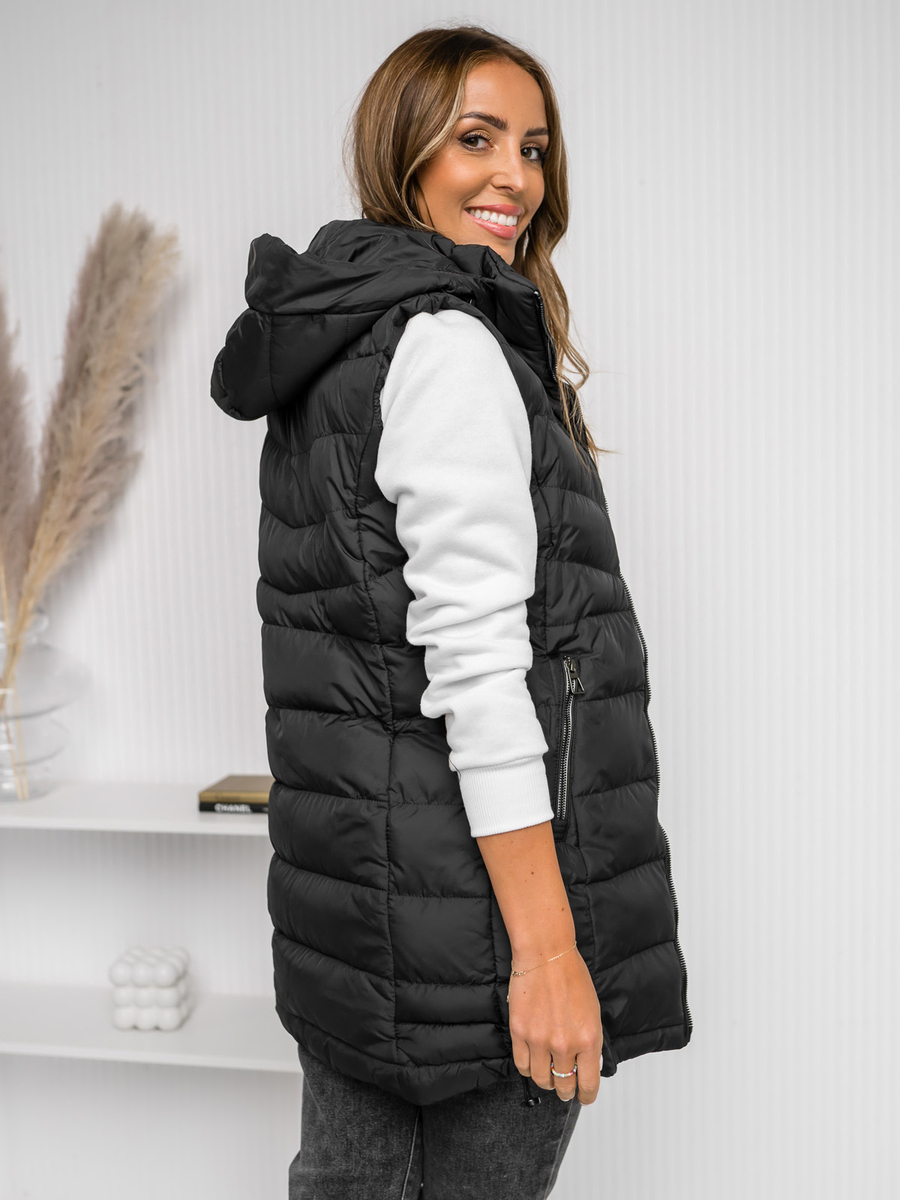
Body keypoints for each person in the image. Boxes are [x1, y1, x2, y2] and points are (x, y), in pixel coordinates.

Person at [211, 23, 692, 1200]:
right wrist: (550, 952)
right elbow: (476, 668)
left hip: (366, 921)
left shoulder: (349, 337)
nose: (514, 176)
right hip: (474, 933)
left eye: (532, 147)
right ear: (406, 151)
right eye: (476, 138)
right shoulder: (448, 346)